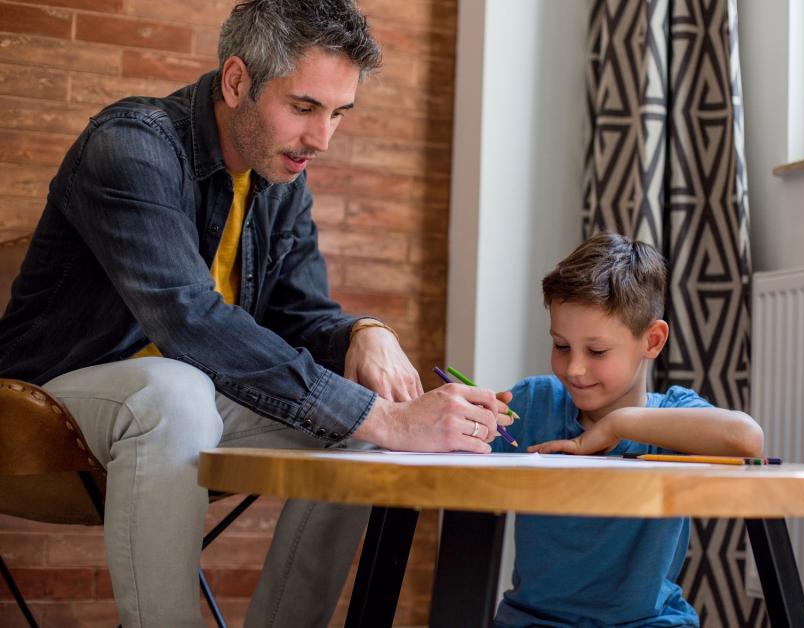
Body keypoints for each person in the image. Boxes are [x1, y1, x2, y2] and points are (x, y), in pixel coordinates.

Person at [0, 1, 511, 626]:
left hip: (182, 404)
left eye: (337, 114)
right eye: (303, 108)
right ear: (237, 80)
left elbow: (299, 316)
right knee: (181, 388)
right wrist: (389, 417)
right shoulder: (130, 145)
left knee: (359, 432)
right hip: (44, 400)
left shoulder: (282, 180)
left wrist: (363, 335)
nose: (320, 139)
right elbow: (189, 320)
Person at [491, 233, 763, 627]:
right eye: (561, 346)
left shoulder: (674, 417)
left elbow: (747, 438)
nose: (574, 369)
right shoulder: (535, 403)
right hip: (533, 621)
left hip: (649, 622)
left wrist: (617, 425)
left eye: (597, 351)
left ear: (651, 341)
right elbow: (455, 455)